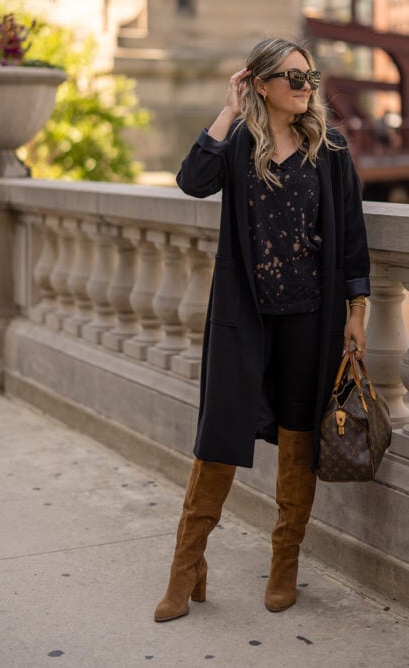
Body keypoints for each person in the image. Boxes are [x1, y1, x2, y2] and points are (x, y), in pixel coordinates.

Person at [154, 37, 370, 622]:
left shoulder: (330, 149)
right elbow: (191, 181)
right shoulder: (239, 146)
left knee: (299, 436)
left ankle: (285, 564)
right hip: (244, 316)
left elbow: (351, 235)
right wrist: (227, 107)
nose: (305, 88)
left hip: (311, 317)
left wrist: (357, 309)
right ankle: (186, 566)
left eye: (310, 78)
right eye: (293, 78)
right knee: (219, 432)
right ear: (262, 83)